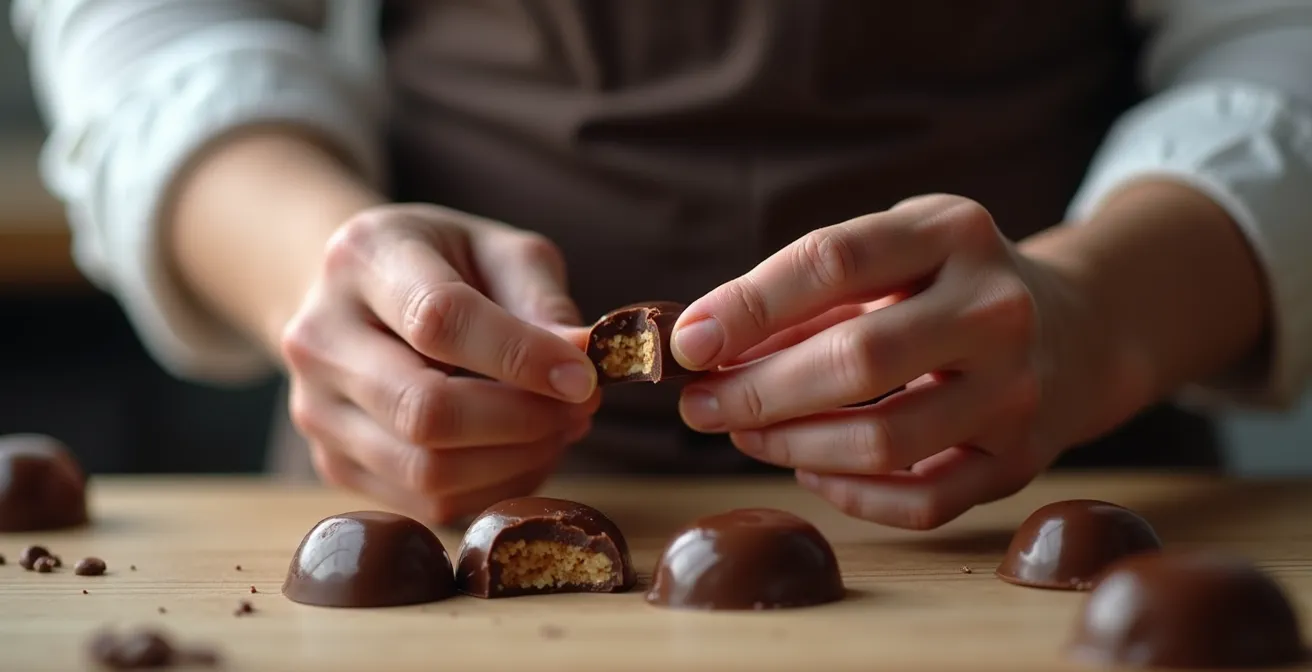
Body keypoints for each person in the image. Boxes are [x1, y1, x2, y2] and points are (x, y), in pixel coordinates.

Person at [12, 0, 1312, 529]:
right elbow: (156, 26)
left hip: (1049, 505)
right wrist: (319, 265)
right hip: (431, 516)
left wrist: (1095, 311)